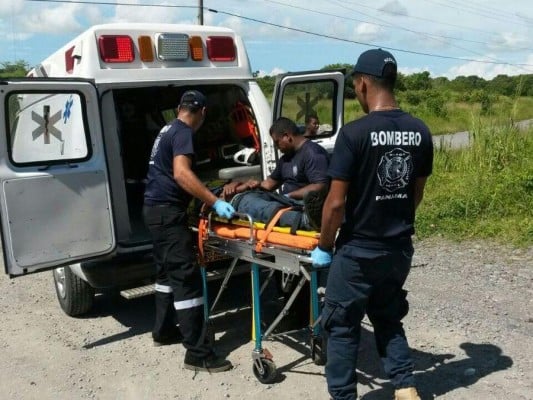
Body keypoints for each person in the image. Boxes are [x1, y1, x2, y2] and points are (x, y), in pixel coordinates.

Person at [311, 49, 433, 400]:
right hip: (398, 250)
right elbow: (416, 194)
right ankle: (406, 388)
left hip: (358, 253)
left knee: (342, 327)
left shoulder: (354, 134)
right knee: (388, 317)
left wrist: (323, 247)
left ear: (363, 84)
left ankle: (344, 396)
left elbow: (335, 204)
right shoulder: (421, 131)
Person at [143, 90, 235, 373]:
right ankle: (198, 353)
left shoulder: (167, 128)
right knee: (187, 279)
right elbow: (182, 174)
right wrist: (215, 201)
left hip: (153, 210)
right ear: (203, 112)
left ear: (179, 107)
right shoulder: (184, 132)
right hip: (167, 213)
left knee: (165, 274)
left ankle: (163, 330)